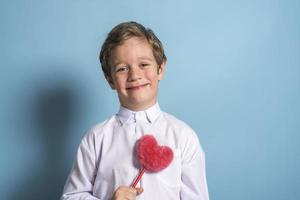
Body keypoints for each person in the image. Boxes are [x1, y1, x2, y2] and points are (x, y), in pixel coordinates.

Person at [61, 21, 209, 200]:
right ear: (110, 79)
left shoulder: (184, 136)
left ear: (160, 69)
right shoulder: (96, 138)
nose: (134, 75)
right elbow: (71, 196)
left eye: (144, 65)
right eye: (122, 69)